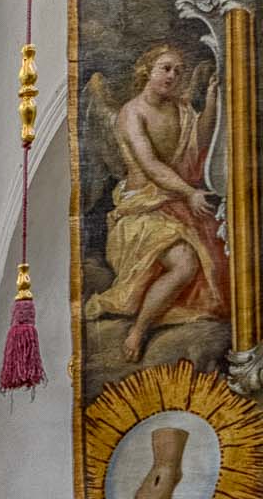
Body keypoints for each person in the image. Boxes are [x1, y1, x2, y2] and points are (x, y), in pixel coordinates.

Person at [86, 43, 228, 362]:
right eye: (165, 68)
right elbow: (150, 165)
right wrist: (189, 193)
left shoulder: (179, 108)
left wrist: (214, 100)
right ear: (146, 71)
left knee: (220, 258)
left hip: (173, 206)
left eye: (178, 70)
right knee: (187, 263)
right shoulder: (131, 113)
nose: (172, 75)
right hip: (139, 214)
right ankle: (138, 331)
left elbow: (198, 144)